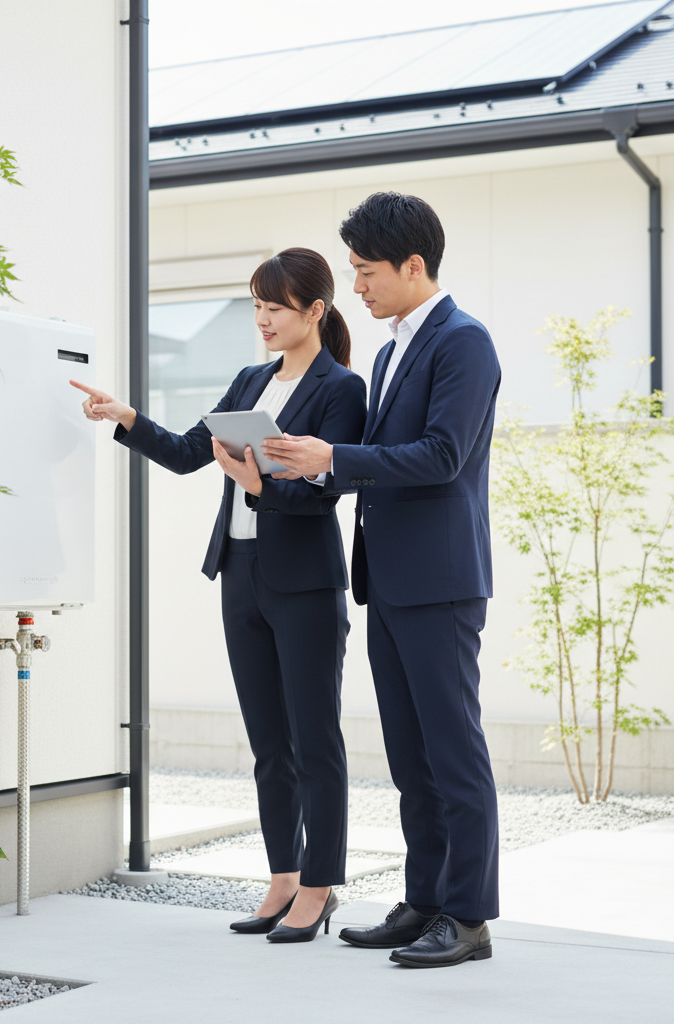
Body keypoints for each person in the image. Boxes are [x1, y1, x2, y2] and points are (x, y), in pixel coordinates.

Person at [71, 248, 366, 942]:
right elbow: (184, 454)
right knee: (269, 742)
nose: (262, 320)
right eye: (257, 307)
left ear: (314, 311)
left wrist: (262, 484)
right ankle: (283, 879)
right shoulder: (249, 378)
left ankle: (319, 889)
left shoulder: (341, 389)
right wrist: (127, 417)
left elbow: (333, 489)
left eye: (276, 309)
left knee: (314, 740)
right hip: (241, 572)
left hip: (306, 581)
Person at [262, 193, 501, 969]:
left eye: (366, 272)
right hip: (390, 581)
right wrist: (304, 464)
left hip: (440, 581)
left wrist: (335, 460)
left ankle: (467, 919)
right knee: (410, 756)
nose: (356, 287)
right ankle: (425, 899)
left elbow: (441, 457)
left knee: (453, 755)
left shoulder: (464, 343)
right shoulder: (397, 348)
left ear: (413, 266)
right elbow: (367, 461)